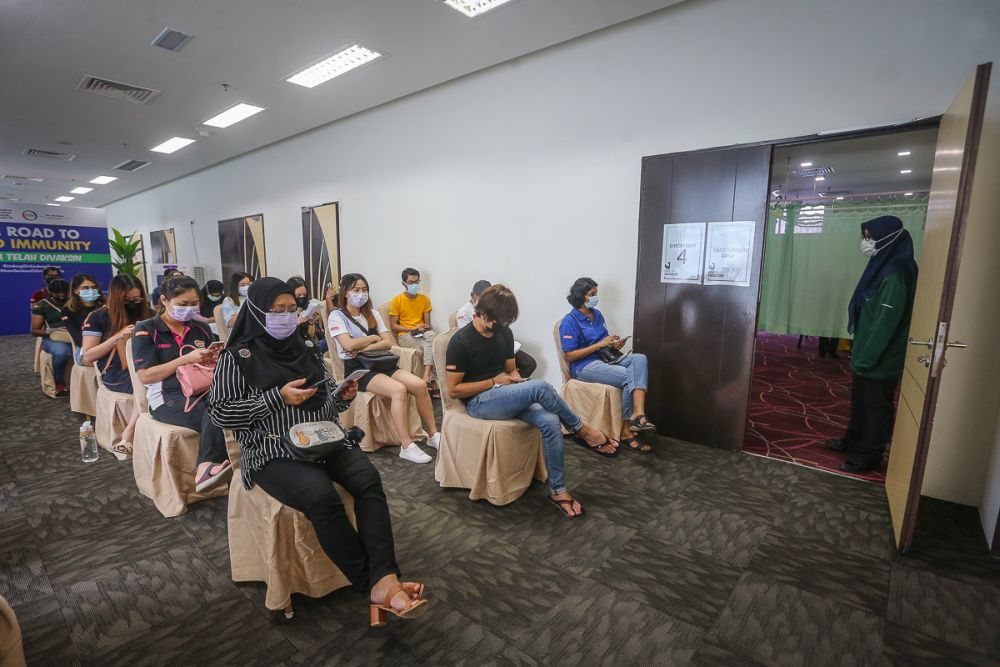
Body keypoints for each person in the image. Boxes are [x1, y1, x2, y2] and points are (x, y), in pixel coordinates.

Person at [208, 278, 428, 623]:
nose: (284, 317)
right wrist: (276, 397)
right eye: (275, 311)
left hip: (322, 438)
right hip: (273, 449)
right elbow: (220, 412)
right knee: (320, 496)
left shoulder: (305, 349)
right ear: (256, 311)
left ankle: (385, 576)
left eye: (290, 310)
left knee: (368, 479)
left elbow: (328, 396)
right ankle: (373, 584)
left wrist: (342, 395)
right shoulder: (238, 357)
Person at [445, 285, 618, 519]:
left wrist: (516, 381)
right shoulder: (461, 340)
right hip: (478, 402)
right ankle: (582, 429)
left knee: (549, 420)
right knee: (541, 386)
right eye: (495, 320)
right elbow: (454, 390)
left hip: (504, 394)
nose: (499, 326)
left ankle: (559, 491)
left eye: (504, 322)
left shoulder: (503, 332)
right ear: (481, 312)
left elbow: (510, 371)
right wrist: (493, 382)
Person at [826, 215, 918, 474]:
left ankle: (870, 456)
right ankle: (852, 441)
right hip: (867, 353)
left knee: (877, 407)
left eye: (871, 237)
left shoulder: (897, 274)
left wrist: (866, 358)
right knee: (860, 403)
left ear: (889, 237)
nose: (867, 242)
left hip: (881, 358)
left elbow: (884, 325)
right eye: (865, 237)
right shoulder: (882, 265)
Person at [131, 275, 233, 492]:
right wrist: (185, 360)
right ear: (164, 301)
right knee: (218, 413)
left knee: (239, 407)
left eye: (194, 304)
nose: (189, 309)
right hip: (167, 397)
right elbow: (146, 376)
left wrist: (214, 358)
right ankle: (207, 466)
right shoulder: (146, 329)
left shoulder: (201, 328)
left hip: (204, 390)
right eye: (183, 304)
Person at [329, 273, 440, 463]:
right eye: (356, 290)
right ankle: (406, 445)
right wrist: (373, 338)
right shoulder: (337, 316)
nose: (361, 294)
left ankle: (432, 435)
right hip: (359, 370)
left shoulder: (373, 314)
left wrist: (368, 343)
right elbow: (347, 346)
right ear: (345, 292)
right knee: (399, 390)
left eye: (364, 290)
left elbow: (387, 342)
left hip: (381, 362)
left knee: (420, 385)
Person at [560, 277, 655, 453]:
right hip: (584, 367)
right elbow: (569, 355)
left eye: (596, 293)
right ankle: (626, 432)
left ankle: (638, 413)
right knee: (629, 376)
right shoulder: (570, 321)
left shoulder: (597, 314)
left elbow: (603, 341)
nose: (596, 297)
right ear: (581, 296)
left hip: (606, 358)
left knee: (640, 358)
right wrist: (599, 345)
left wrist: (612, 344)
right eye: (592, 294)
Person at [81, 274, 154, 456]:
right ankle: (129, 433)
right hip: (116, 371)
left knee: (156, 379)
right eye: (127, 300)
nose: (133, 303)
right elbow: (88, 356)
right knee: (147, 383)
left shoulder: (149, 314)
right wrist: (118, 336)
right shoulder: (99, 317)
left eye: (137, 298)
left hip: (146, 364)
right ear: (116, 298)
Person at [455, 279, 537, 378]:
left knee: (530, 364)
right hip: (484, 348)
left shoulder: (497, 315)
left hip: (500, 342)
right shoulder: (464, 313)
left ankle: (513, 387)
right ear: (473, 295)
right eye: (482, 298)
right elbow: (469, 337)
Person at [388, 268, 439, 396]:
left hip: (421, 333)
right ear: (404, 284)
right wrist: (412, 329)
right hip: (406, 335)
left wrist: (423, 329)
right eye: (411, 282)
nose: (414, 285)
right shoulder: (397, 301)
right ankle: (432, 381)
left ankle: (427, 378)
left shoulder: (424, 299)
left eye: (417, 282)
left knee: (433, 339)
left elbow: (427, 325)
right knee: (431, 345)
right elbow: (393, 326)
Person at [30, 278, 71, 396]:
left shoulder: (74, 303)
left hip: (74, 334)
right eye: (58, 295)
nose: (62, 297)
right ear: (51, 293)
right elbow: (34, 331)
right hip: (52, 337)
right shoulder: (43, 306)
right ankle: (59, 382)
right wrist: (50, 331)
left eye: (65, 294)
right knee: (62, 352)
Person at [61, 274, 105, 363]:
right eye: (85, 288)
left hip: (109, 344)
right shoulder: (68, 311)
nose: (91, 291)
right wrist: (88, 322)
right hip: (85, 350)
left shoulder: (105, 306)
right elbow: (78, 341)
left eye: (93, 287)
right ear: (76, 290)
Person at [287, 276, 326, 352]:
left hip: (308, 344)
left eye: (304, 295)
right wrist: (298, 321)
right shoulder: (284, 312)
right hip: (294, 347)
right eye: (298, 295)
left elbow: (311, 335)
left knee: (332, 340)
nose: (302, 298)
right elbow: (284, 336)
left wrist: (311, 322)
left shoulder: (306, 307)